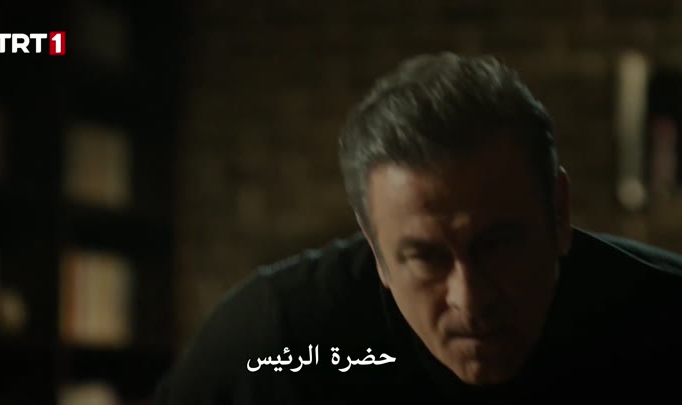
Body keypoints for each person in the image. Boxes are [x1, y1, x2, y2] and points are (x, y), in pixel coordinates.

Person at [155, 52, 682, 404]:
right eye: (427, 257)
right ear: (378, 254)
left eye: (497, 245)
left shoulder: (664, 319)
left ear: (558, 213)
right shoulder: (279, 336)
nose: (470, 301)